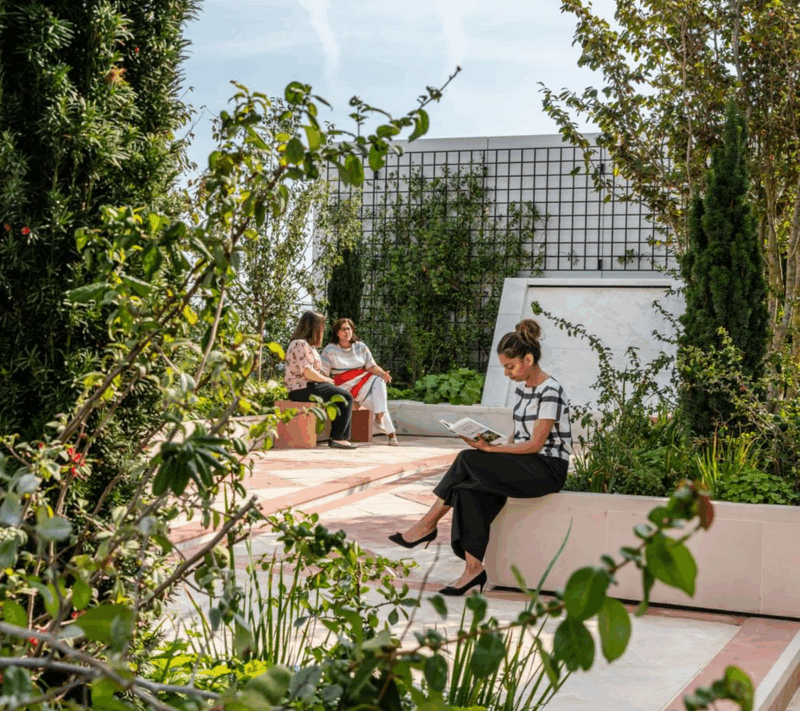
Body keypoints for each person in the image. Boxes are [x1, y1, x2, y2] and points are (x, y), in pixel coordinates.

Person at [388, 318, 572, 595]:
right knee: (465, 490)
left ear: (529, 359)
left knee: (466, 459)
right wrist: (488, 441)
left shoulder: (551, 391)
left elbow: (535, 444)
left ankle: (427, 524)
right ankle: (474, 570)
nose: (507, 374)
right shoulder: (525, 390)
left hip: (547, 469)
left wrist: (490, 451)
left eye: (510, 367)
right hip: (525, 463)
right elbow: (517, 437)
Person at [284, 311, 357, 450]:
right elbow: (307, 371)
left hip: (311, 386)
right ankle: (338, 438)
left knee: (343, 395)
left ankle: (339, 437)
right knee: (345, 398)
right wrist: (327, 380)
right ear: (312, 326)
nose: (322, 329)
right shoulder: (299, 344)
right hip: (301, 388)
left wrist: (330, 380)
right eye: (321, 326)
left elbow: (316, 370)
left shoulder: (309, 346)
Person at [321, 318, 399, 446]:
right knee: (377, 403)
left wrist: (383, 373)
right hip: (344, 387)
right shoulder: (330, 350)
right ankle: (391, 433)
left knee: (379, 380)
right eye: (343, 329)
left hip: (363, 382)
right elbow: (324, 373)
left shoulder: (361, 347)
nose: (347, 332)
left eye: (349, 328)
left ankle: (381, 419)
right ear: (337, 332)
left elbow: (371, 366)